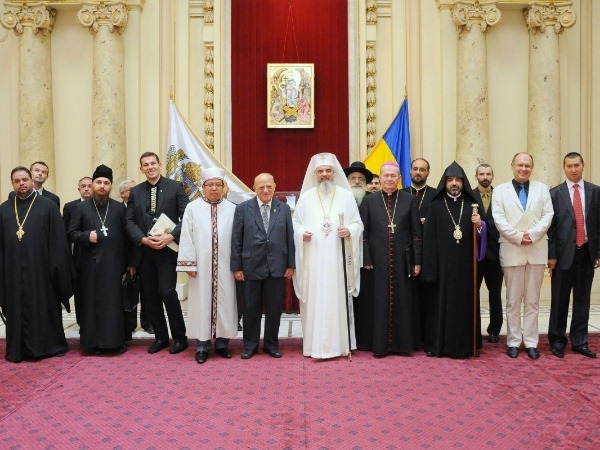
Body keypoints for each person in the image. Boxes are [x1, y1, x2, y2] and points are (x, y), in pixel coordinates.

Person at [292, 152, 363, 359]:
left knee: (336, 300)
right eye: (321, 171)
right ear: (315, 174)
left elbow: (358, 224)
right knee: (315, 300)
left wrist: (349, 230)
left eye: (328, 171)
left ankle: (339, 346)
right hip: (313, 260)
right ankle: (314, 346)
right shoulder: (306, 198)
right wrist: (301, 233)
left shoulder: (346, 196)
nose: (324, 174)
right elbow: (295, 224)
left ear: (334, 173)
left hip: (337, 261)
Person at [0, 167, 73, 362]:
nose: (21, 183)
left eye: (25, 179)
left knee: (43, 307)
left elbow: (58, 242)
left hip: (42, 273)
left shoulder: (48, 207)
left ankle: (48, 346)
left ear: (32, 181)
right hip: (13, 273)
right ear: (12, 184)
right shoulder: (4, 209)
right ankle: (18, 349)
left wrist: (57, 271)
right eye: (17, 181)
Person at [125, 152, 189, 355]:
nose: (150, 167)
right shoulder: (135, 191)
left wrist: (170, 237)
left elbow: (187, 216)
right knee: (150, 296)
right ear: (141, 169)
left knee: (167, 292)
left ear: (160, 165)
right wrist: (143, 239)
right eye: (146, 164)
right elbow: (129, 221)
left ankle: (180, 338)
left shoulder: (175, 187)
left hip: (167, 250)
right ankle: (161, 337)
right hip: (145, 251)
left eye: (153, 163)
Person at [68, 165, 137, 354]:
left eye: (106, 183)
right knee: (92, 305)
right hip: (89, 267)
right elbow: (71, 233)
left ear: (110, 186)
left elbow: (128, 237)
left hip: (115, 266)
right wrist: (86, 236)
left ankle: (115, 342)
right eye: (98, 182)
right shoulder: (80, 208)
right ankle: (92, 344)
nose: (102, 186)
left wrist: (131, 263)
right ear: (92, 184)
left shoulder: (119, 208)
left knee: (113, 305)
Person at [491, 152, 553, 360]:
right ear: (512, 166)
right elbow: (499, 218)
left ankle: (532, 342)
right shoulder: (500, 191)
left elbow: (548, 215)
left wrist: (533, 235)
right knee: (513, 301)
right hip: (512, 249)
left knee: (533, 301)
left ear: (532, 168)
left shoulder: (542, 189)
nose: (523, 169)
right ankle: (514, 342)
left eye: (527, 165)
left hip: (536, 249)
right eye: (520, 165)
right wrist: (518, 237)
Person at [421, 161, 485, 358]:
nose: (454, 183)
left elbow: (484, 234)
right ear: (445, 183)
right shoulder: (435, 205)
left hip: (466, 267)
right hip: (442, 267)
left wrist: (480, 225)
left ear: (463, 182)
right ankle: (439, 345)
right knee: (440, 305)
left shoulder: (473, 205)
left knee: (464, 305)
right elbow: (428, 239)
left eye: (458, 180)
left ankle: (468, 345)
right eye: (450, 180)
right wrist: (430, 268)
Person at [360, 161, 422, 356]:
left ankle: (403, 345)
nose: (389, 179)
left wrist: (417, 260)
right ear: (380, 178)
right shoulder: (369, 201)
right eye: (385, 175)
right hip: (377, 261)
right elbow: (363, 234)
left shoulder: (409, 200)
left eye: (393, 176)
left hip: (403, 261)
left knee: (403, 301)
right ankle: (379, 345)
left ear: (399, 178)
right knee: (379, 301)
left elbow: (416, 234)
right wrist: (366, 258)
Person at [231, 173, 295, 359]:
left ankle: (271, 345)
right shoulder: (243, 208)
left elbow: (289, 237)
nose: (265, 190)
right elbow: (236, 239)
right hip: (250, 266)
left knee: (274, 310)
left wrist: (291, 264)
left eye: (269, 187)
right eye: (261, 187)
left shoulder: (284, 208)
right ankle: (250, 346)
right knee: (251, 309)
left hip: (277, 266)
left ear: (274, 187)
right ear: (254, 188)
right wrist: (237, 267)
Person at [177, 168, 238, 364]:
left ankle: (222, 344)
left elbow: (237, 239)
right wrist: (189, 263)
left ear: (223, 187)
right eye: (210, 185)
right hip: (201, 268)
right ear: (203, 187)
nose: (214, 188)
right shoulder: (192, 208)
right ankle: (202, 346)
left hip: (226, 267)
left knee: (225, 303)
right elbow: (186, 236)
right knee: (201, 303)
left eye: (218, 185)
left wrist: (238, 265)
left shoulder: (233, 209)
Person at [547, 152, 600, 359]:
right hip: (562, 256)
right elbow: (551, 229)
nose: (573, 169)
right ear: (564, 168)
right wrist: (551, 256)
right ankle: (557, 341)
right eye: (569, 166)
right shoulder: (554, 194)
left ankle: (580, 341)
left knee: (582, 300)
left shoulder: (595, 191)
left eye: (576, 165)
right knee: (559, 300)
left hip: (586, 253)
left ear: (583, 166)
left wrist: (598, 252)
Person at [402, 157, 433, 349]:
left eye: (422, 169)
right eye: (415, 169)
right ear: (410, 171)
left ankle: (427, 337)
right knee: (409, 298)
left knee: (427, 298)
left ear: (428, 172)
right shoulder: (401, 195)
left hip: (429, 254)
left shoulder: (435, 195)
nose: (418, 172)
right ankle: (410, 336)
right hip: (406, 254)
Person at [471, 164, 504, 344]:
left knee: (495, 294)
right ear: (476, 176)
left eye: (488, 174)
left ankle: (494, 330)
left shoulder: (501, 196)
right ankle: (473, 328)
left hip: (495, 254)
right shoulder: (469, 196)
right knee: (472, 292)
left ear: (493, 176)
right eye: (482, 174)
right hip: (474, 254)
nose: (485, 177)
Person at [343, 161, 374, 350]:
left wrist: (368, 256)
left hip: (367, 258)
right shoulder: (341, 199)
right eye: (353, 178)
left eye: (360, 179)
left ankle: (364, 338)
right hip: (344, 256)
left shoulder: (373, 199)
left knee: (366, 299)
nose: (356, 181)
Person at [119, 179, 153, 335]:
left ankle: (148, 322)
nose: (135, 192)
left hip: (146, 255)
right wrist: (129, 262)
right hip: (127, 257)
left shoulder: (144, 208)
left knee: (147, 291)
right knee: (129, 290)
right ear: (122, 194)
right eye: (130, 190)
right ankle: (129, 324)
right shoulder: (118, 210)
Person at [62, 176, 93, 326]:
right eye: (83, 186)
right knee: (80, 292)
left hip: (96, 255)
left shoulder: (101, 206)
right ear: (79, 189)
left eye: (89, 186)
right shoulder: (70, 207)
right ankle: (82, 323)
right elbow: (66, 232)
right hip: (77, 256)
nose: (86, 188)